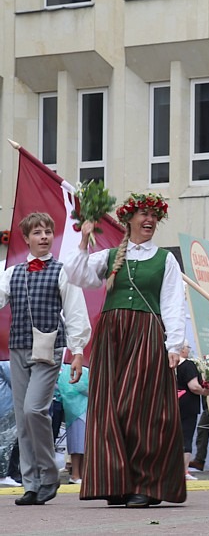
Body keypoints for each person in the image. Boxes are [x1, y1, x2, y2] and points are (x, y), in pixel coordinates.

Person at [65, 193, 186, 508]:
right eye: (144, 214)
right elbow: (77, 275)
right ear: (129, 219)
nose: (149, 221)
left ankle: (147, 484)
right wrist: (83, 240)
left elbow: (173, 303)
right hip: (112, 337)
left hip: (146, 336)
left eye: (154, 216)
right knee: (110, 408)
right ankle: (115, 482)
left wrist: (174, 345)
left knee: (141, 409)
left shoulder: (165, 259)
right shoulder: (108, 256)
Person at [1, 212, 91, 506]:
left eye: (47, 232)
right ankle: (32, 484)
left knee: (33, 410)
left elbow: (76, 313)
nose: (43, 237)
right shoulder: (13, 273)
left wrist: (77, 352)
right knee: (23, 419)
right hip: (18, 349)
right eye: (37, 233)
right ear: (26, 239)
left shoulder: (62, 271)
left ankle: (49, 474)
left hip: (49, 350)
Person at [177, 343, 209, 481]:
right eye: (188, 348)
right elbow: (194, 386)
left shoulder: (170, 363)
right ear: (182, 349)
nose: (189, 350)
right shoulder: (188, 365)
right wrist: (205, 391)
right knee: (186, 436)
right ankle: (184, 471)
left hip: (173, 403)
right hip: (188, 404)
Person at [56, 363, 90, 484]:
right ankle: (75, 475)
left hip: (86, 409)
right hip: (76, 409)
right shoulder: (69, 368)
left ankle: (80, 474)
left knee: (84, 444)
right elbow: (73, 386)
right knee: (77, 443)